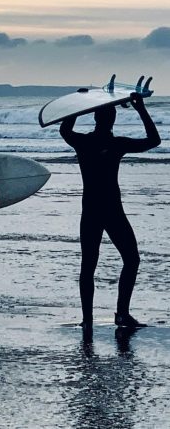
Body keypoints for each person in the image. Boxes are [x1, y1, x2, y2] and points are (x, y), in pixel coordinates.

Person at [60, 93, 160, 328]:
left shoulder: (83, 142)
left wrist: (78, 106)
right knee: (132, 259)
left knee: (88, 266)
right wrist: (140, 109)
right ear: (113, 120)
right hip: (113, 209)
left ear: (94, 118)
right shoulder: (117, 144)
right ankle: (122, 314)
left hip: (91, 210)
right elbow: (154, 140)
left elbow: (64, 130)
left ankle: (87, 320)